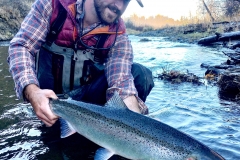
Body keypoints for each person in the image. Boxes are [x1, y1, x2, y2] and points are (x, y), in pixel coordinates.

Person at [8, 0, 154, 129]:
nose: (119, 6)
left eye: (126, 1)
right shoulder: (53, 5)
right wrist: (32, 92)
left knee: (140, 74)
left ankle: (112, 140)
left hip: (89, 105)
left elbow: (121, 84)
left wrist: (136, 129)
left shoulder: (118, 35)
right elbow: (21, 46)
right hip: (50, 101)